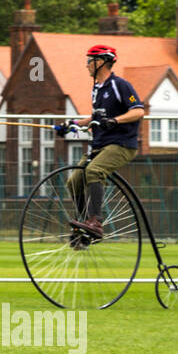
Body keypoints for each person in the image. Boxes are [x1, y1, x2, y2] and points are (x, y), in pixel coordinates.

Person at [53, 44, 144, 241]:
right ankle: (84, 225)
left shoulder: (120, 85)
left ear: (101, 62)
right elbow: (94, 118)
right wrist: (72, 124)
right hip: (100, 145)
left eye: (89, 61)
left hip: (121, 144)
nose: (86, 66)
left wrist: (115, 120)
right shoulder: (97, 89)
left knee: (94, 171)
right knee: (74, 180)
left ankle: (95, 222)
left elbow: (138, 111)